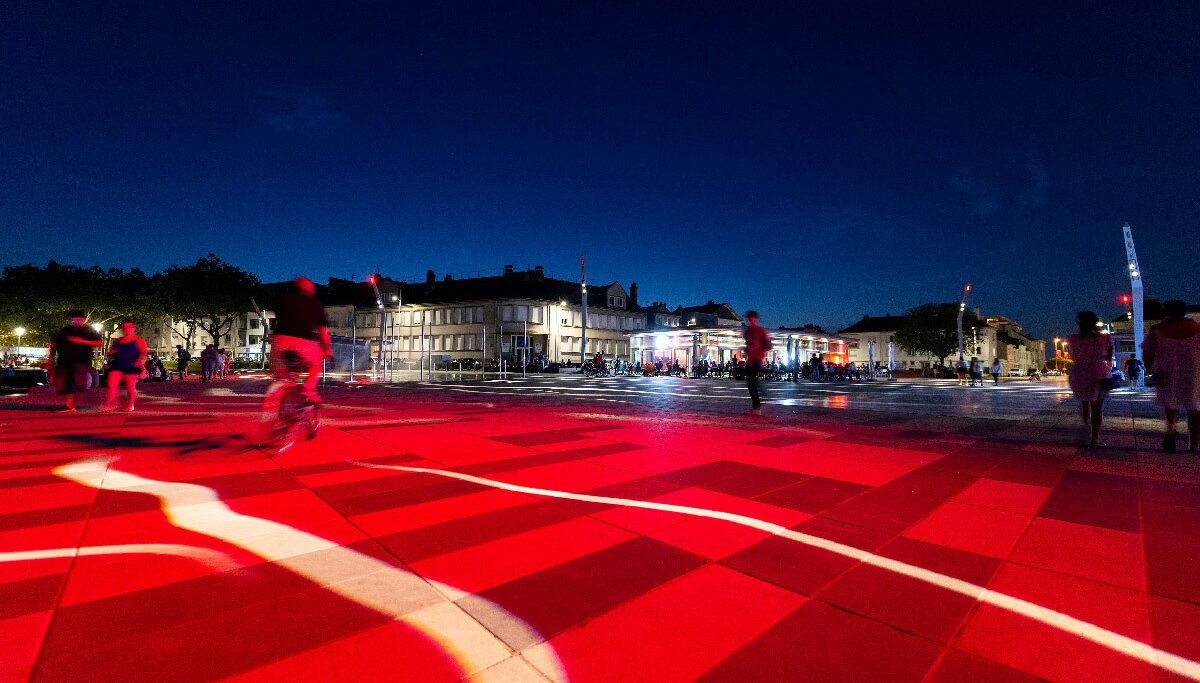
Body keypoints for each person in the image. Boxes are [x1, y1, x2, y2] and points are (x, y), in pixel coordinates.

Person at [1141, 300, 1200, 453]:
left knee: (1170, 402)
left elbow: (1147, 352)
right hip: (1194, 372)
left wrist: (1149, 368)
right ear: (1185, 311)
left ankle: (1171, 429)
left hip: (1167, 371)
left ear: (1165, 313)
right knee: (1194, 407)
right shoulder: (1197, 328)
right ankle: (1193, 444)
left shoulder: (1157, 330)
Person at [267, 276, 333, 405]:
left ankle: (277, 398)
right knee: (315, 366)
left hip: (280, 341)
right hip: (304, 343)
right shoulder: (316, 305)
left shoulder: (281, 299)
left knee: (280, 375)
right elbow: (324, 334)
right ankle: (308, 388)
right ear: (311, 291)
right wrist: (327, 350)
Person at [1068, 311, 1114, 446]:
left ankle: (1086, 428)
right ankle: (1094, 437)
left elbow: (1073, 356)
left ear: (1079, 324)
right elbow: (1108, 357)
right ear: (1096, 323)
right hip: (1097, 372)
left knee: (1084, 405)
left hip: (1079, 373)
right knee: (1097, 408)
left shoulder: (1072, 339)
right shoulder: (1104, 338)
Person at [49, 311, 103, 413]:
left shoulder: (89, 330)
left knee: (73, 381)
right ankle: (69, 405)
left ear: (83, 319)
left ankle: (70, 406)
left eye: (80, 318)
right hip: (64, 360)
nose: (77, 321)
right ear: (71, 320)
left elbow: (99, 343)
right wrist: (50, 359)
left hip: (81, 361)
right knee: (64, 382)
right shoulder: (65, 330)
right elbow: (54, 344)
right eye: (75, 318)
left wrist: (82, 341)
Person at [102, 320, 148, 412]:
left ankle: (130, 405)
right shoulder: (117, 341)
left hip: (131, 366)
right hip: (117, 365)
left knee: (130, 387)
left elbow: (143, 354)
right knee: (111, 385)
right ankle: (110, 405)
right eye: (125, 327)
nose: (127, 329)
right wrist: (110, 355)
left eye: (129, 327)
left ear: (134, 329)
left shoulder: (139, 341)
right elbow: (110, 354)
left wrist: (142, 368)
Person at [742, 310, 773, 416]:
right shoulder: (748, 332)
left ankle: (757, 407)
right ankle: (758, 404)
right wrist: (747, 350)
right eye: (749, 318)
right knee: (751, 383)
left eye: (752, 318)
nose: (750, 320)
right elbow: (748, 345)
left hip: (757, 359)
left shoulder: (761, 331)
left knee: (751, 382)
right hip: (750, 360)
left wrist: (759, 352)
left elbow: (768, 345)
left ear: (756, 319)